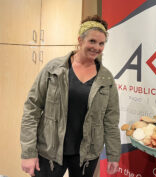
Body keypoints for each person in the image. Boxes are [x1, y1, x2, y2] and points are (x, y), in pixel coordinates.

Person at [20, 15, 121, 177]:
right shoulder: (54, 69)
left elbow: (111, 121)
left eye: (102, 43)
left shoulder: (106, 79)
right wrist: (28, 152)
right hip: (50, 153)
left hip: (86, 156)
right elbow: (32, 109)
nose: (97, 47)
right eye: (92, 41)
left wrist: (113, 155)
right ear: (80, 40)